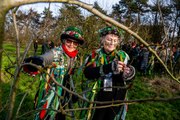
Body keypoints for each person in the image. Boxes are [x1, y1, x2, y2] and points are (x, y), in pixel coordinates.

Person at [23, 26, 85, 120]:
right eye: (69, 41)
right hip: (50, 95)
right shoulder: (55, 52)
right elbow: (45, 57)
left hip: (63, 95)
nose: (72, 45)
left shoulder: (74, 57)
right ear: (64, 40)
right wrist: (38, 60)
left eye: (75, 43)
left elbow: (68, 76)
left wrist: (72, 92)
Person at [80, 26, 135, 120]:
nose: (112, 43)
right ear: (102, 40)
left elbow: (129, 77)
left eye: (115, 40)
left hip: (117, 98)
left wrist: (128, 73)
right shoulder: (94, 55)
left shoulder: (123, 55)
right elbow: (87, 73)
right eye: (109, 39)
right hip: (98, 98)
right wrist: (109, 67)